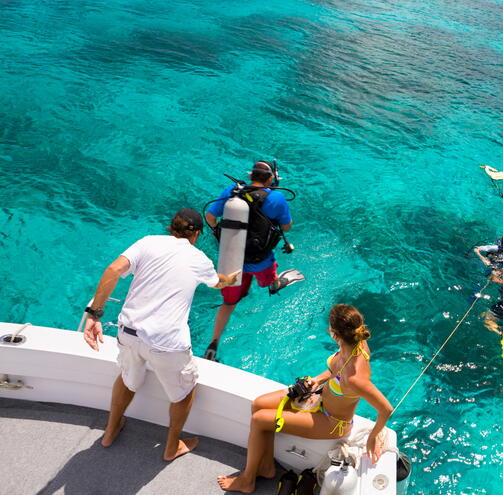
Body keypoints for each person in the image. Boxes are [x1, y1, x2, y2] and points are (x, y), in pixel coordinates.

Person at [83, 209, 239, 461]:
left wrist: (94, 313)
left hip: (129, 332)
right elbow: (217, 282)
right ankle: (171, 447)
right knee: (184, 393)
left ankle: (110, 432)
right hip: (166, 342)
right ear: (197, 234)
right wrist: (230, 280)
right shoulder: (199, 259)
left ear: (171, 228)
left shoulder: (147, 242)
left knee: (127, 378)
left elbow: (113, 271)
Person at [217, 304, 393, 493]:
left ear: (334, 333)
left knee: (259, 420)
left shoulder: (356, 378)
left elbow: (386, 409)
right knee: (258, 404)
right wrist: (317, 380)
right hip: (318, 399)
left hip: (331, 422)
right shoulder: (355, 343)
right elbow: (336, 371)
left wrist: (373, 437)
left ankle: (247, 479)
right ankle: (266, 467)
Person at [204, 161, 304, 361]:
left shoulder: (232, 191)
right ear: (270, 179)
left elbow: (210, 216)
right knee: (268, 280)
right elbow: (287, 227)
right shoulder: (276, 197)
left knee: (229, 302)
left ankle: (213, 343)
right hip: (261, 260)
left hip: (231, 260)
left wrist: (219, 234)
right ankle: (274, 284)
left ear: (251, 176)